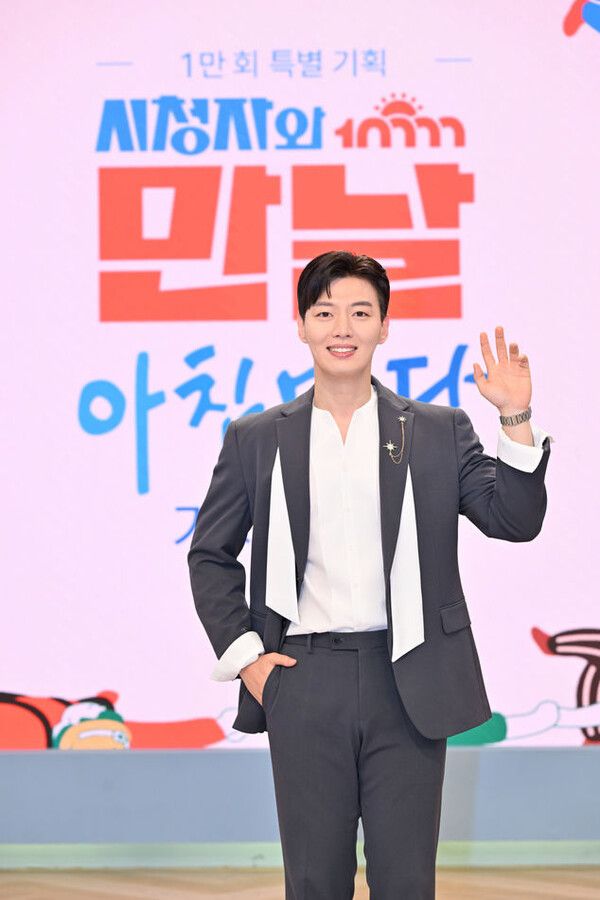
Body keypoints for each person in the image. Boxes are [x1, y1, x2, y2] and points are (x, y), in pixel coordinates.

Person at [187, 250, 552, 899]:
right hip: (303, 679)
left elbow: (514, 520)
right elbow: (210, 554)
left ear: (385, 326)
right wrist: (249, 661)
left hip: (408, 678)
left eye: (360, 312)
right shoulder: (257, 438)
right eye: (325, 312)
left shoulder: (438, 430)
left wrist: (515, 419)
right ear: (301, 325)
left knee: (406, 882)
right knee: (314, 881)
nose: (343, 328)